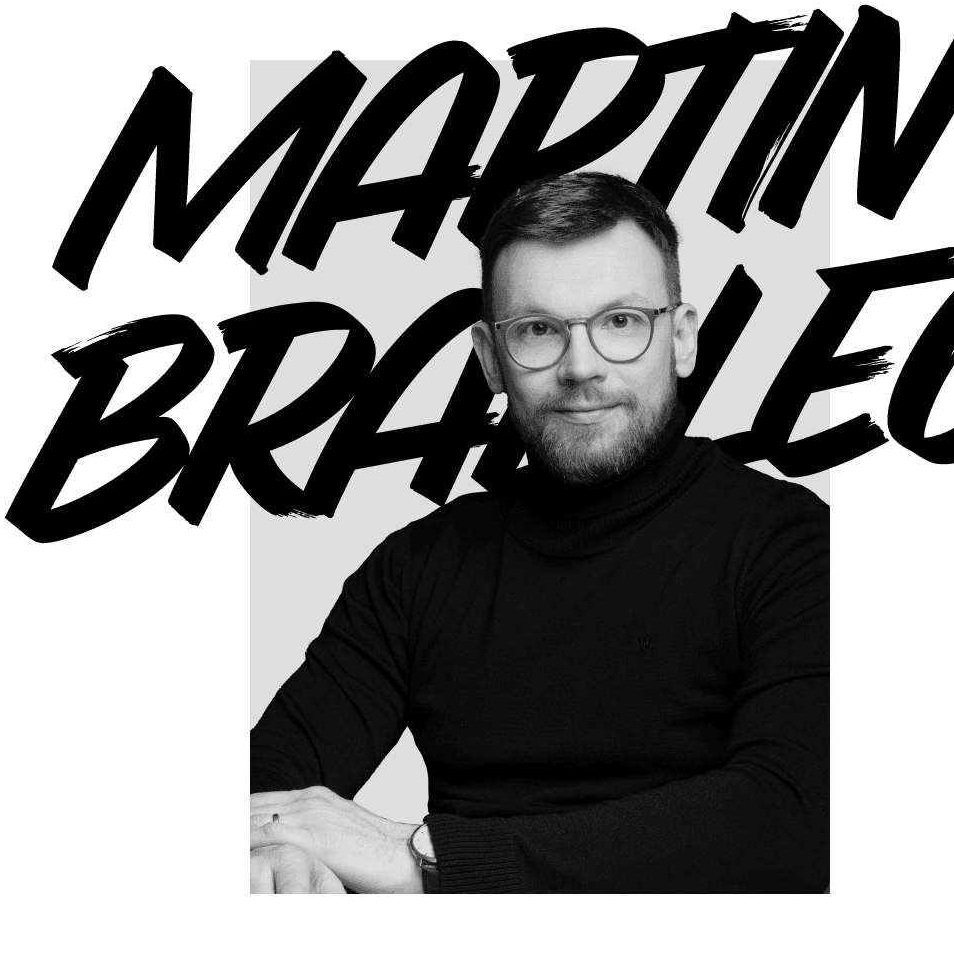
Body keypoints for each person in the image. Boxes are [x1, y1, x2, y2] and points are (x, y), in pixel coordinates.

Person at [249, 171, 828, 893]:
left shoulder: (795, 546)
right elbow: (264, 791)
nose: (581, 368)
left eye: (621, 322)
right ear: (490, 359)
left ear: (681, 339)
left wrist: (426, 859)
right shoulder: (414, 568)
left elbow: (797, 820)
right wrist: (278, 859)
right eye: (538, 331)